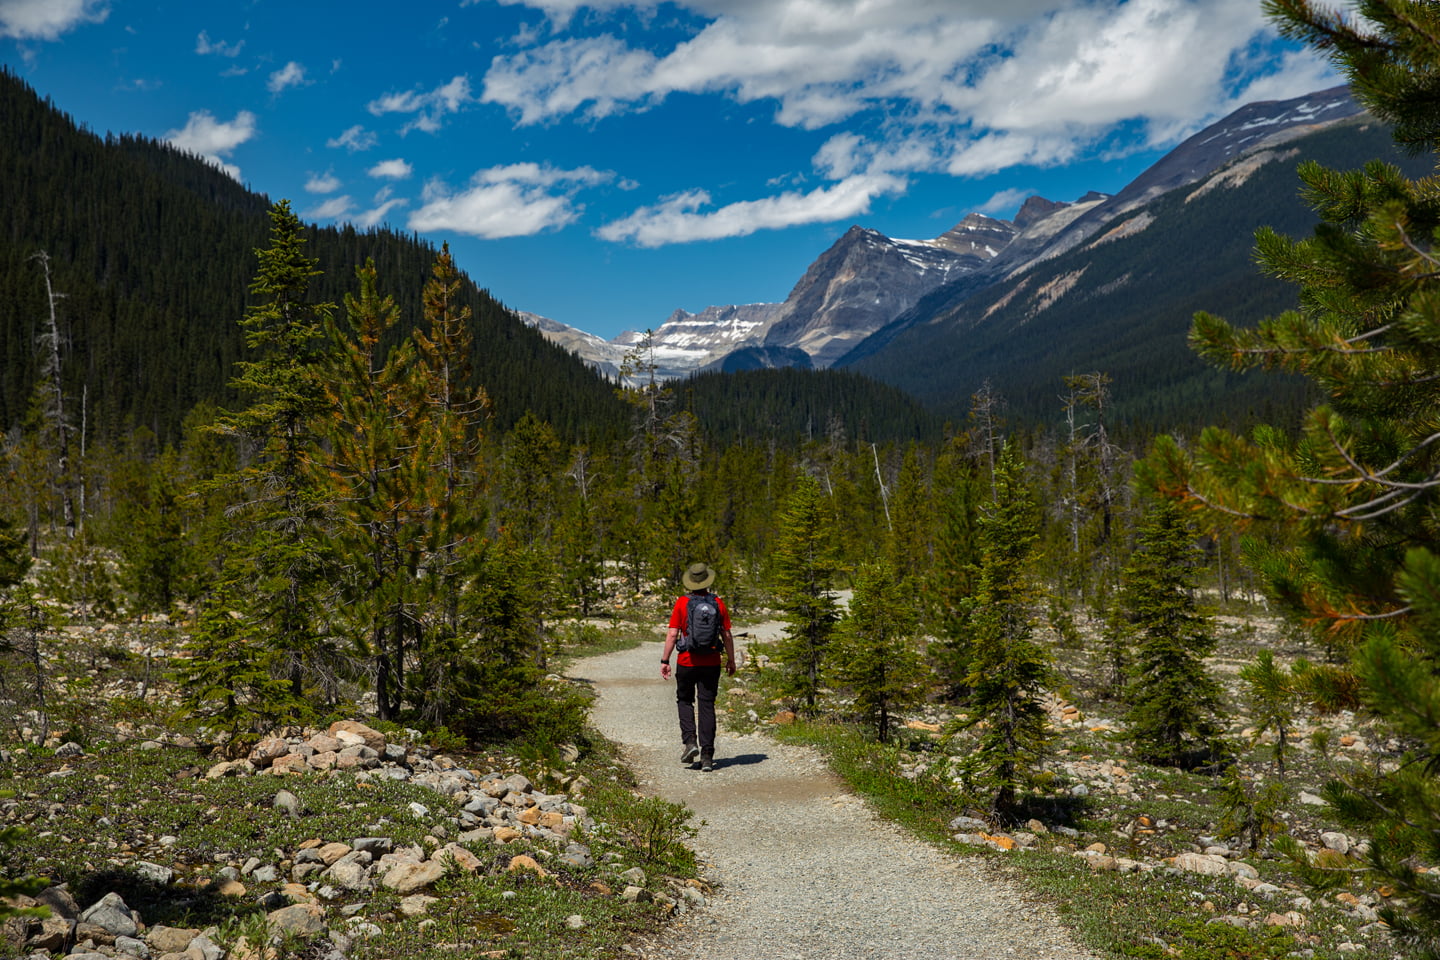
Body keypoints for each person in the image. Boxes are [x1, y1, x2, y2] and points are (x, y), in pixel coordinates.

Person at [660, 561, 736, 772]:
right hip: (711, 661)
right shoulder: (718, 603)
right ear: (707, 581)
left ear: (690, 582)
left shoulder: (682, 603)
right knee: (707, 704)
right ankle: (707, 756)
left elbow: (673, 634)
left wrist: (665, 660)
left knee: (685, 700)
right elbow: (726, 634)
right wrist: (731, 659)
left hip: (687, 661)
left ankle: (690, 742)